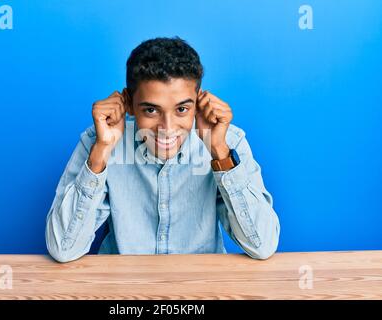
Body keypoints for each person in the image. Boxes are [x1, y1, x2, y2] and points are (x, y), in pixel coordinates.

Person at [45, 37, 280, 262]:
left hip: (199, 290)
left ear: (197, 102)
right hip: (124, 292)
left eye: (181, 110)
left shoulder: (228, 142)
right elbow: (63, 249)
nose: (167, 129)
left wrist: (219, 152)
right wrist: (101, 152)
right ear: (128, 103)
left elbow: (262, 246)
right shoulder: (99, 141)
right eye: (151, 110)